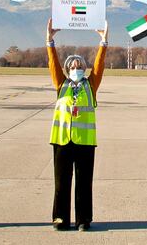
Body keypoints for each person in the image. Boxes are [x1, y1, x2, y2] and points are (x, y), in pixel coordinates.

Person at [46, 17, 108, 231]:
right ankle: (60, 219)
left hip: (85, 142)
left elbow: (99, 66)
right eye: (72, 66)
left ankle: (83, 220)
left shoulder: (91, 85)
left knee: (83, 183)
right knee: (61, 183)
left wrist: (103, 41)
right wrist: (50, 41)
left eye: (79, 66)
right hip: (62, 141)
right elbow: (53, 64)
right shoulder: (61, 84)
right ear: (66, 69)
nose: (76, 68)